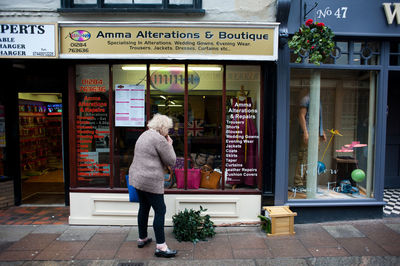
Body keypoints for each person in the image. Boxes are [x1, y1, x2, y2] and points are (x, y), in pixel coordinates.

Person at [128, 113, 177, 258]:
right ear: (162, 128)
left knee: (144, 207)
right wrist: (170, 144)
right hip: (150, 180)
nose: (168, 131)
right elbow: (172, 160)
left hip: (138, 178)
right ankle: (161, 247)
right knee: (160, 210)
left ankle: (142, 238)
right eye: (168, 128)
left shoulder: (144, 134)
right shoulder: (159, 139)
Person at [293, 93, 326, 191]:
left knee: (312, 160)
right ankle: (298, 183)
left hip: (316, 134)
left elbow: (318, 118)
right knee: (304, 158)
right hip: (309, 133)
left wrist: (322, 131)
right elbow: (301, 116)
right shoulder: (306, 99)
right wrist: (305, 132)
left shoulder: (317, 100)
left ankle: (307, 183)